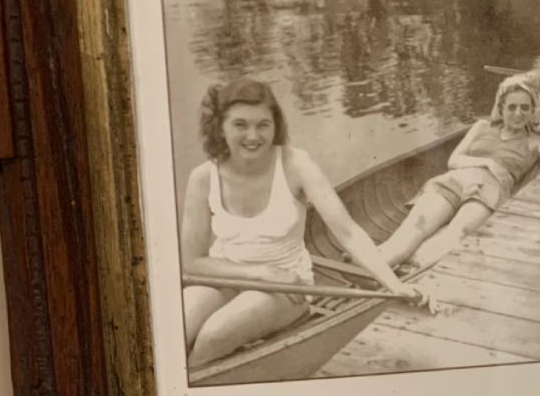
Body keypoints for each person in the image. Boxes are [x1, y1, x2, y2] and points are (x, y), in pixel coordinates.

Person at [181, 78, 429, 369]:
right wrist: (261, 273)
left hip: (288, 287)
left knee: (213, 336)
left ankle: (194, 386)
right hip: (228, 276)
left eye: (263, 124)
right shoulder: (202, 177)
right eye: (240, 125)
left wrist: (393, 284)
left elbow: (348, 234)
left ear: (276, 125)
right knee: (180, 325)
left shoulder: (296, 164)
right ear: (220, 127)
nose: (253, 136)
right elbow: (192, 262)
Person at [378, 76, 540, 271]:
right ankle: (378, 267)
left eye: (525, 108)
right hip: (455, 180)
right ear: (501, 109)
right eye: (512, 107)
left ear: (532, 110)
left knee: (458, 233)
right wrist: (488, 163)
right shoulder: (482, 127)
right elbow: (454, 160)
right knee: (416, 225)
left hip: (490, 191)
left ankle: (409, 274)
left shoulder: (535, 142)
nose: (518, 113)